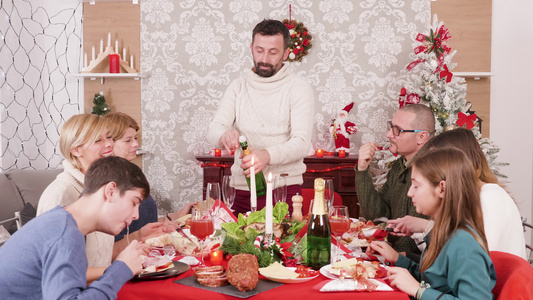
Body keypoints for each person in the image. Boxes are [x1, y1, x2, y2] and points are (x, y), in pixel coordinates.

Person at [0, 156, 152, 299]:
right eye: (134, 202)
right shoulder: (65, 233)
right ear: (110, 191)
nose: (136, 215)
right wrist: (121, 268)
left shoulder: (62, 222)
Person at [207, 19, 315, 215]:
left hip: (284, 190)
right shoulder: (238, 86)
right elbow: (215, 128)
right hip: (240, 190)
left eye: (273, 52)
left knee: (282, 246)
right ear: (251, 48)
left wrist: (267, 156)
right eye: (259, 50)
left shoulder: (299, 88)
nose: (264, 58)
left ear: (285, 53)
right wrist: (224, 135)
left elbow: (301, 143)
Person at [367, 148, 496, 299]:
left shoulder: (463, 243)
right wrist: (397, 258)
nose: (410, 193)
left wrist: (418, 291)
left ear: (442, 188)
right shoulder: (444, 230)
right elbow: (432, 280)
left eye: (416, 185)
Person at [387, 128, 527, 259]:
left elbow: (470, 259)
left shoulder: (490, 197)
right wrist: (425, 227)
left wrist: (428, 228)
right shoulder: (466, 196)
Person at [103, 112, 194, 254]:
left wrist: (176, 216)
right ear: (109, 144)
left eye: (135, 138)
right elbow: (112, 247)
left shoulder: (131, 174)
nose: (136, 144)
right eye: (128, 140)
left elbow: (142, 225)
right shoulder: (108, 185)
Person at [355, 104, 435, 254]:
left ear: (421, 137)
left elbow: (411, 241)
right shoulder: (400, 165)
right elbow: (378, 214)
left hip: (414, 267)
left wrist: (387, 257)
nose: (389, 134)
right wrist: (362, 170)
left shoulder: (431, 170)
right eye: (391, 127)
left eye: (397, 130)